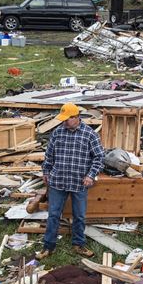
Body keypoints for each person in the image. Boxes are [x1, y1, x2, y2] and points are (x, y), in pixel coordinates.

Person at [37, 102, 104, 259]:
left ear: (77, 117)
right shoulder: (57, 133)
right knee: (53, 214)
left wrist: (90, 175)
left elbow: (99, 157)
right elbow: (50, 155)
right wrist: (46, 171)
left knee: (79, 216)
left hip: (79, 182)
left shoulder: (90, 134)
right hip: (58, 181)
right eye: (63, 119)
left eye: (68, 119)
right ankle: (48, 246)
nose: (65, 122)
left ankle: (78, 244)